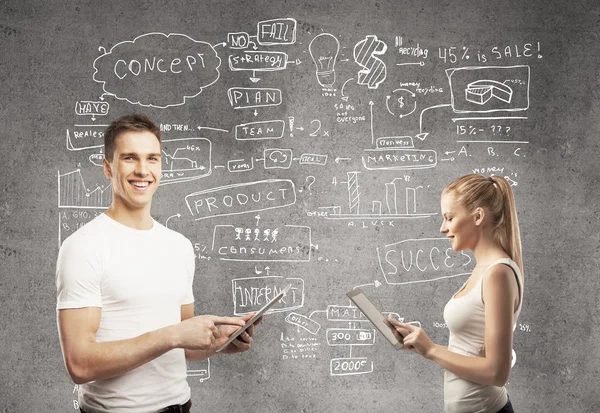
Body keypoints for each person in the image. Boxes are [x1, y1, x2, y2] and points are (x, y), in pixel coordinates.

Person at [56, 113, 260, 413]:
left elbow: (179, 347)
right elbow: (80, 364)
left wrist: (219, 343)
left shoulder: (179, 246)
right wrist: (174, 334)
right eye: (129, 158)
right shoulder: (83, 247)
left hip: (180, 406)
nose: (143, 170)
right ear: (107, 167)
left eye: (152, 158)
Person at [388, 174, 524, 413]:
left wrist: (432, 350)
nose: (443, 228)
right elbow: (471, 351)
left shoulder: (497, 274)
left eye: (449, 218)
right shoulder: (484, 271)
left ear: (478, 216)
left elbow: (497, 372)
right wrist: (421, 344)